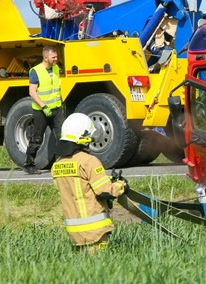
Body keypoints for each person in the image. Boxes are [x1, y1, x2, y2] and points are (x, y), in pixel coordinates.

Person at [51, 113, 128, 254]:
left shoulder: (57, 165)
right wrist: (120, 185)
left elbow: (80, 187)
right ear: (84, 136)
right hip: (95, 231)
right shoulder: (89, 161)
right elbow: (104, 191)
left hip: (74, 234)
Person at [24, 45, 65, 175]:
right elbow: (32, 92)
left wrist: (61, 103)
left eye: (56, 56)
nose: (56, 59)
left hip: (56, 109)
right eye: (53, 57)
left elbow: (56, 88)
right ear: (45, 57)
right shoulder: (36, 71)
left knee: (62, 136)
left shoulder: (56, 68)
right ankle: (29, 165)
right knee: (37, 139)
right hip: (41, 111)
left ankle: (61, 164)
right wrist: (43, 106)